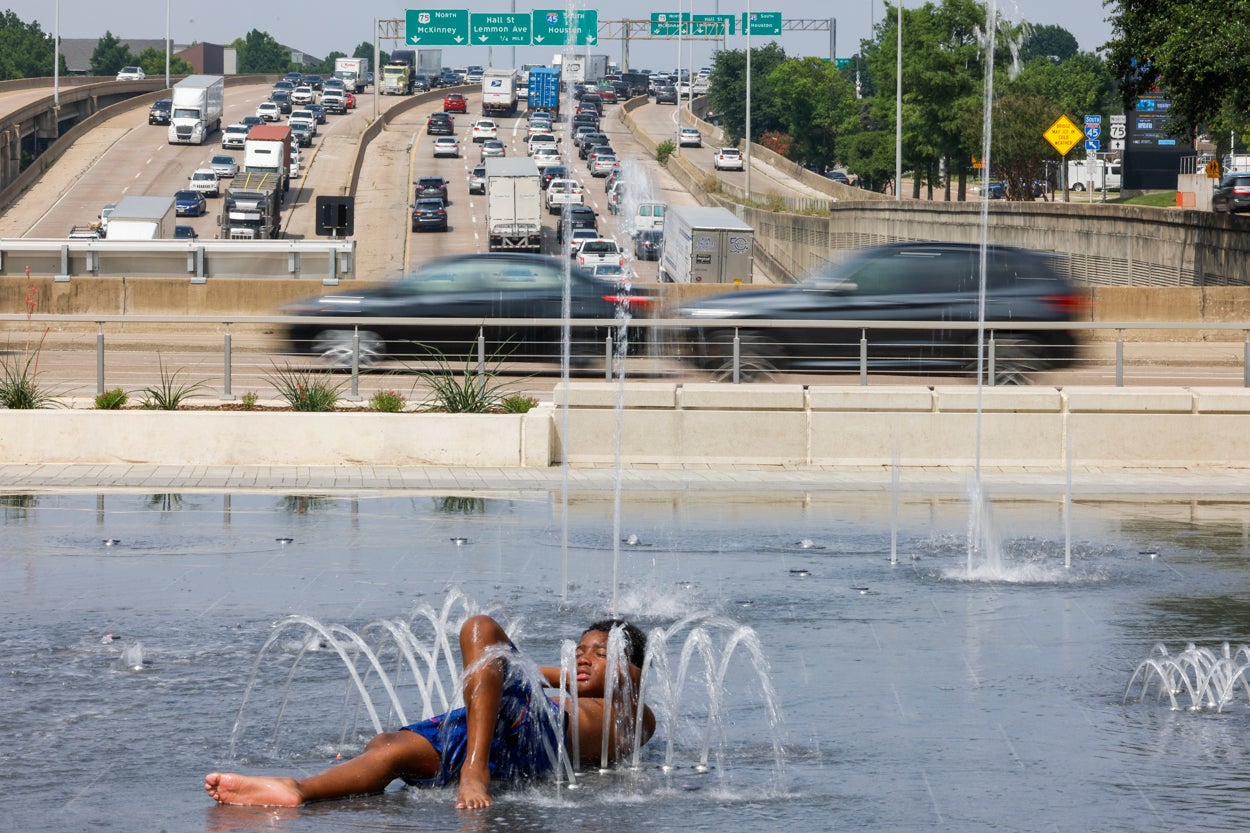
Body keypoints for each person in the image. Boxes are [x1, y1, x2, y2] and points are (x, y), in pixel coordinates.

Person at [205, 614, 655, 809]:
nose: (583, 658)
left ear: (631, 666)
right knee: (390, 749)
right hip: (497, 732)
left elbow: (621, 679)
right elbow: (515, 668)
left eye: (599, 653)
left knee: (480, 628)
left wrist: (589, 671)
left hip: (534, 735)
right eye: (579, 650)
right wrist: (516, 668)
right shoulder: (570, 691)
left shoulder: (633, 716)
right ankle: (296, 789)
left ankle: (472, 769)